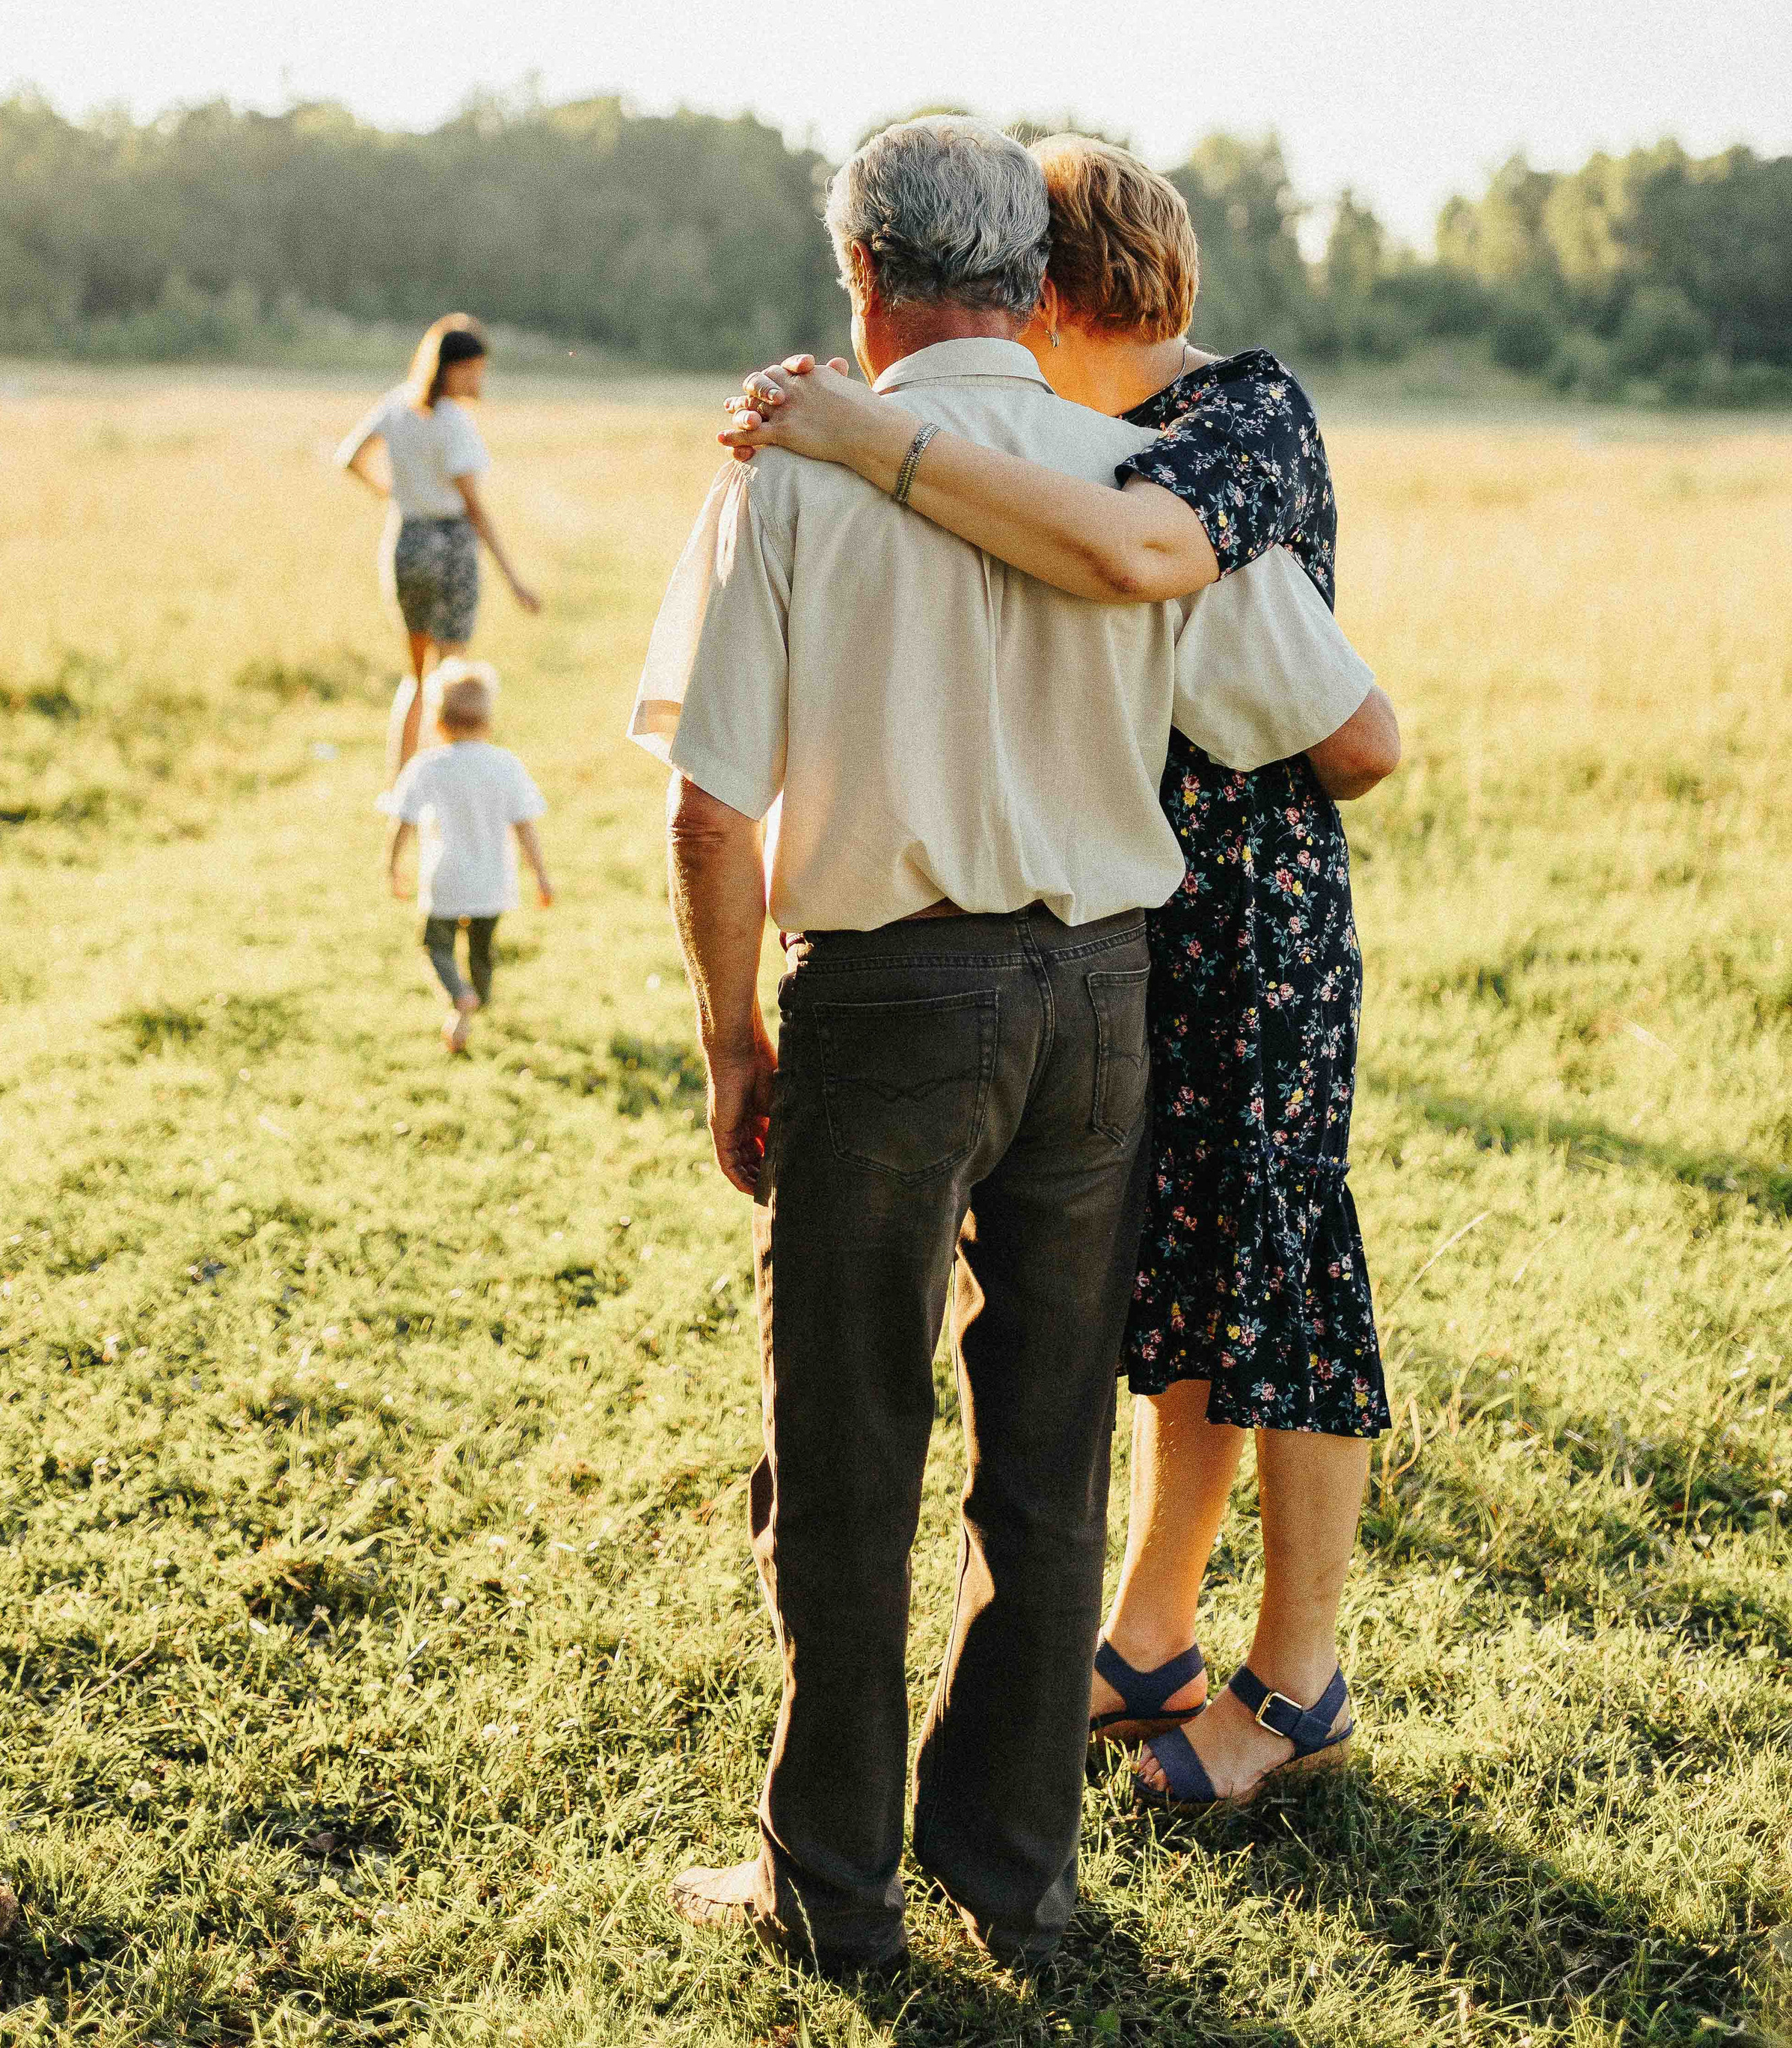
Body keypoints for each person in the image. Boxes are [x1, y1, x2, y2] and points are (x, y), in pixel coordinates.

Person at [629, 116, 1383, 1975]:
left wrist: (731, 1043)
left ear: (861, 275)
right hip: (1106, 1004)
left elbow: (714, 810)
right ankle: (1015, 1874)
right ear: (1025, 282)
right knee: (1044, 1452)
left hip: (890, 1005)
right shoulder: (1140, 479)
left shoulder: (787, 462)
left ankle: (830, 1888)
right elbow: (1336, 725)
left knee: (848, 1441)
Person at [338, 314, 543, 779]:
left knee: (416, 678)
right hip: (449, 547)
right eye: (473, 369)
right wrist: (514, 579)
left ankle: (400, 782)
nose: (480, 378)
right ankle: (445, 782)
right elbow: (475, 508)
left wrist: (390, 493)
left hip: (406, 542)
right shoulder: (453, 422)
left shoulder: (396, 405)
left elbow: (350, 458)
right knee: (452, 676)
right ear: (451, 368)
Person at [383, 660, 553, 1053]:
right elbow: (525, 826)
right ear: (488, 720)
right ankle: (478, 996)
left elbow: (402, 823)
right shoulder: (506, 766)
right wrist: (542, 877)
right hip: (493, 882)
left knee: (435, 944)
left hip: (446, 880)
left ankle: (459, 996)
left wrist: (392, 868)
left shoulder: (426, 766)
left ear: (437, 722)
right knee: (482, 947)